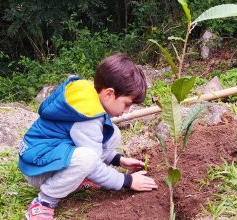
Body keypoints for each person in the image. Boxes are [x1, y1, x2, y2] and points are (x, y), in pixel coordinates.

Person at [18, 53, 158, 220]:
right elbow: (92, 162)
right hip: (37, 169)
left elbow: (91, 144)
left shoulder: (89, 95)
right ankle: (44, 201)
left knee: (112, 133)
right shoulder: (88, 119)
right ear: (108, 94)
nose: (126, 111)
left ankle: (78, 178)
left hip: (45, 157)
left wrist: (117, 160)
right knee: (87, 159)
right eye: (126, 104)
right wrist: (126, 181)